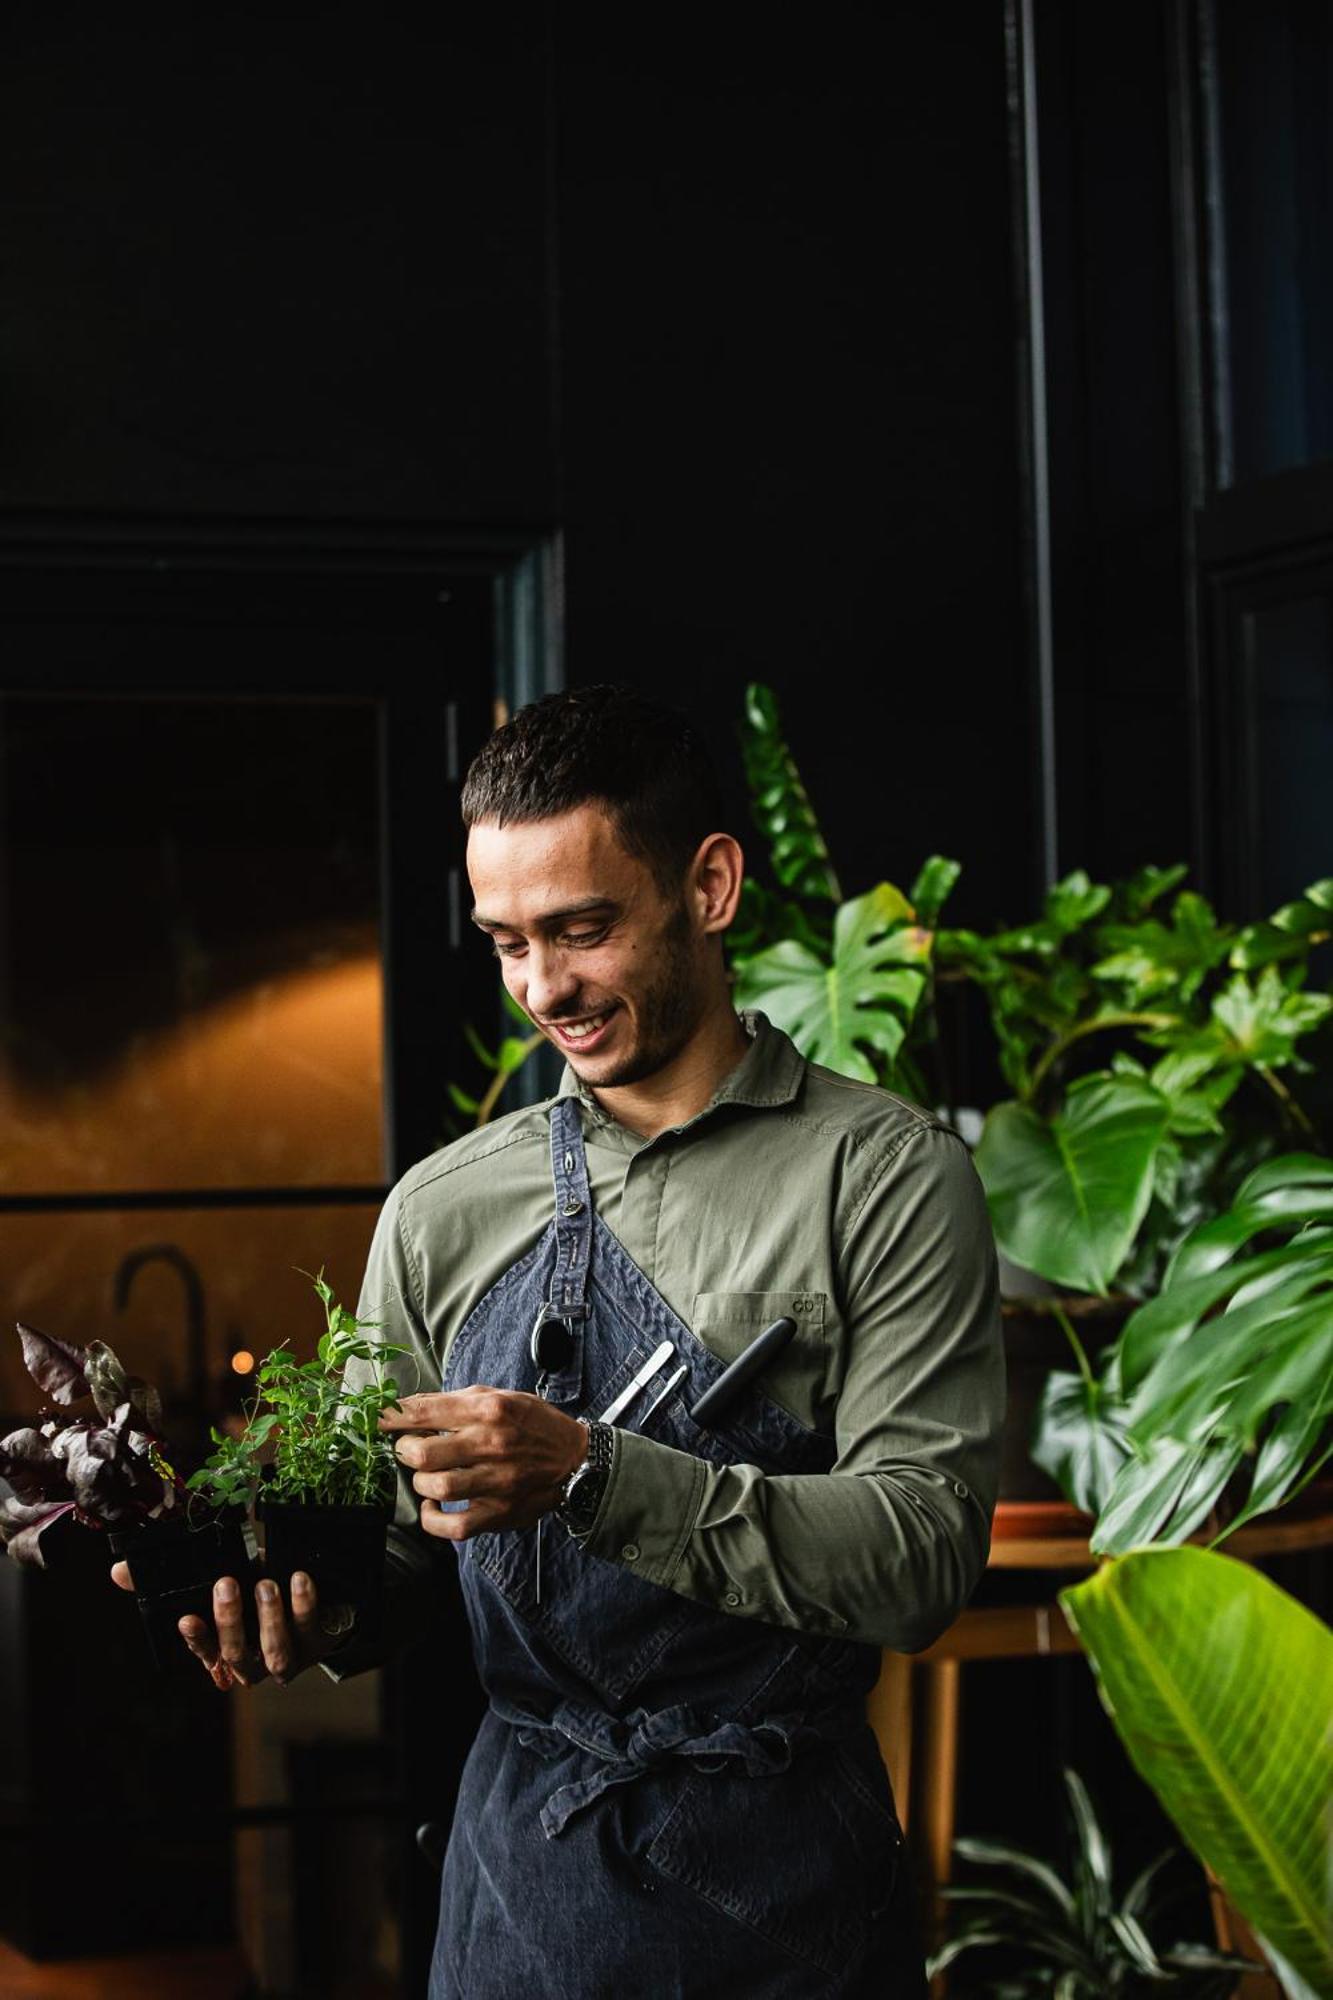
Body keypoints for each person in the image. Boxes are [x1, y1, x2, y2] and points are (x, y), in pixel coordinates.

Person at [115, 685, 1005, 1997]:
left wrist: (593, 1474)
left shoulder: (879, 1178)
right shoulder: (442, 1206)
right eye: (506, 942)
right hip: (520, 1886)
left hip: (781, 1888)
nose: (543, 989)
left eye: (582, 930)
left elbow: (922, 1556)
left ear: (707, 886)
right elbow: (405, 1547)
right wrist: (304, 1611)